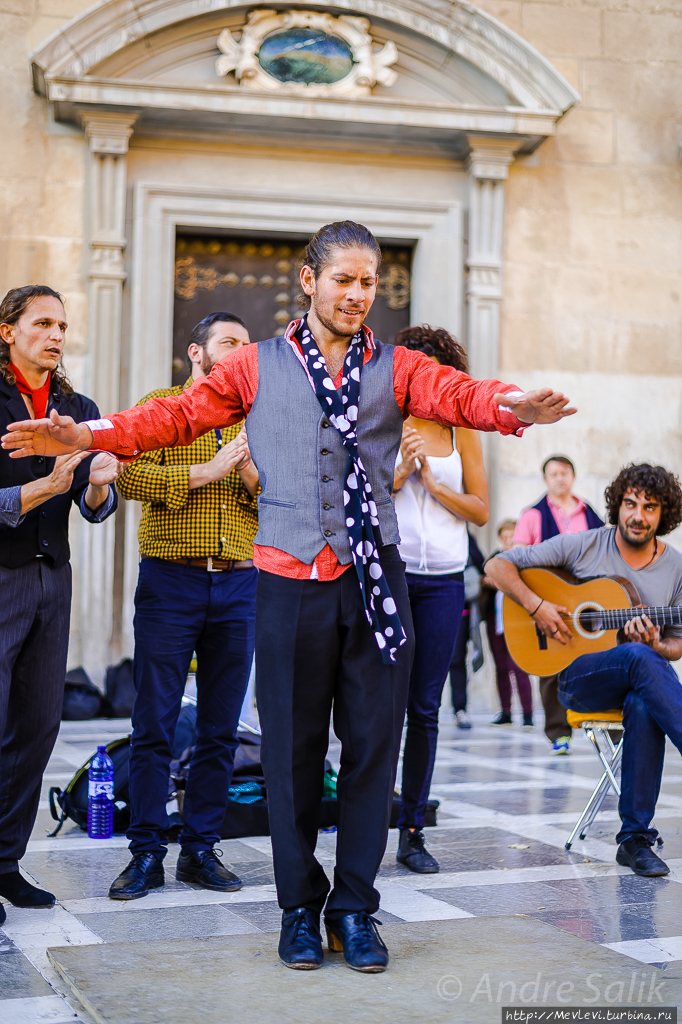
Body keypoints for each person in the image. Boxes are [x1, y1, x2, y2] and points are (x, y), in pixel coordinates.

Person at [1, 220, 575, 972]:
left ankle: (357, 907)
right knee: (293, 754)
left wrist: (511, 405)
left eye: (369, 282)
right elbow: (175, 415)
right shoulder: (256, 367)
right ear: (309, 281)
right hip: (284, 581)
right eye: (344, 279)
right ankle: (300, 908)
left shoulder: (398, 366)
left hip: (376, 581)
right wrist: (90, 435)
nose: (358, 294)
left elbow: (457, 392)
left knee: (372, 750)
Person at [108, 312, 259, 900]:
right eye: (230, 344)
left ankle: (200, 849)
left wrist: (249, 474)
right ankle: (146, 852)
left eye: (248, 347)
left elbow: (280, 503)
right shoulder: (163, 406)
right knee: (155, 723)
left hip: (240, 584)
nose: (242, 354)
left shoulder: (259, 420)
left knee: (221, 729)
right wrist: (206, 471)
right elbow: (127, 473)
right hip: (172, 582)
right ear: (197, 353)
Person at [486, 464, 682, 878]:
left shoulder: (675, 568)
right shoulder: (585, 545)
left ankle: (634, 840)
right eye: (630, 503)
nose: (638, 515)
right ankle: (634, 837)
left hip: (636, 677)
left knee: (643, 691)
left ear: (664, 513)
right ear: (617, 505)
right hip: (576, 679)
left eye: (650, 507)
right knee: (639, 660)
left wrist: (655, 643)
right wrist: (537, 606)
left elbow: (675, 646)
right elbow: (496, 567)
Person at [0, 285, 119, 925]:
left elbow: (94, 509)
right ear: (7, 331)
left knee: (40, 724)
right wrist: (39, 489)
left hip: (53, 580)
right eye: (41, 322)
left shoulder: (78, 408)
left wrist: (97, 489)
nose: (54, 334)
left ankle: (5, 862)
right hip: (0, 576)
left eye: (62, 325)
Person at [391, 325, 489, 873]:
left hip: (445, 581)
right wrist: (401, 473)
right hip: (394, 575)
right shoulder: (385, 423)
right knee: (382, 703)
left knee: (425, 708)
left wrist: (434, 486)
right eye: (413, 366)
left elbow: (479, 508)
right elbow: (365, 498)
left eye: (434, 368)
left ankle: (412, 830)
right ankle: (370, 815)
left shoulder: (461, 428)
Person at [514, 455, 604, 753]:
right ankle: (558, 732)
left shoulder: (589, 513)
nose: (560, 478)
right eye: (553, 474)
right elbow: (517, 557)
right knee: (551, 665)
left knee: (599, 655)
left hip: (586, 598)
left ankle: (608, 725)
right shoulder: (533, 515)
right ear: (545, 480)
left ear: (573, 476)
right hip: (549, 599)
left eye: (564, 473)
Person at [481, 519, 534, 729]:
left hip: (518, 621)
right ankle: (506, 711)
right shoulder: (495, 558)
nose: (508, 540)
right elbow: (484, 577)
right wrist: (487, 582)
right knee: (501, 667)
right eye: (504, 536)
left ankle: (528, 713)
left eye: (511, 535)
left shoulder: (525, 559)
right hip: (496, 620)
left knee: (519, 667)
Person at [449, 531, 487, 730]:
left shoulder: (464, 535)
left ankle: (460, 709)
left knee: (456, 660)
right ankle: (419, 708)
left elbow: (481, 565)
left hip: (460, 610)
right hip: (424, 609)